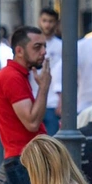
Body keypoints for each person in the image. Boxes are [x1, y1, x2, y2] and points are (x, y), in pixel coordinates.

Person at [0, 25, 49, 184]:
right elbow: (31, 122)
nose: (43, 52)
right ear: (19, 51)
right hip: (25, 159)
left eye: (44, 46)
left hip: (26, 157)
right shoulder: (11, 77)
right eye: (37, 47)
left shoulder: (17, 75)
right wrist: (44, 88)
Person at [38, 7, 63, 135]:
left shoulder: (61, 46)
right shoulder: (31, 44)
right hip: (33, 100)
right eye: (44, 20)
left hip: (53, 102)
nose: (47, 24)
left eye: (51, 21)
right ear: (39, 21)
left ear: (56, 23)